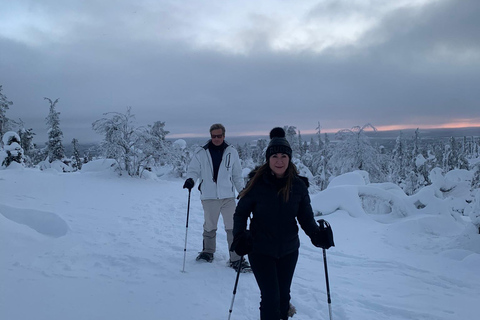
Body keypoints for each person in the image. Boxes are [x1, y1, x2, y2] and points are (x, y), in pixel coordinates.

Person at [231, 127, 334, 320]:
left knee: (283, 298)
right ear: (268, 159)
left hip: (288, 251)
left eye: (284, 156)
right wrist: (240, 236)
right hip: (260, 249)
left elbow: (306, 218)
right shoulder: (256, 184)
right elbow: (240, 213)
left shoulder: (298, 186)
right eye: (275, 156)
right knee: (270, 298)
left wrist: (317, 236)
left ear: (289, 158)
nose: (279, 161)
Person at [183, 123, 250, 272]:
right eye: (214, 136)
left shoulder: (231, 152)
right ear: (211, 136)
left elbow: (237, 175)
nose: (216, 138)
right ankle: (208, 252)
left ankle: (236, 258)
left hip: (228, 196)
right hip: (209, 196)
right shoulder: (201, 152)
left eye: (219, 136)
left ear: (224, 136)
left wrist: (242, 191)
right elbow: (193, 170)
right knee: (210, 225)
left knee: (233, 227)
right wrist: (190, 180)